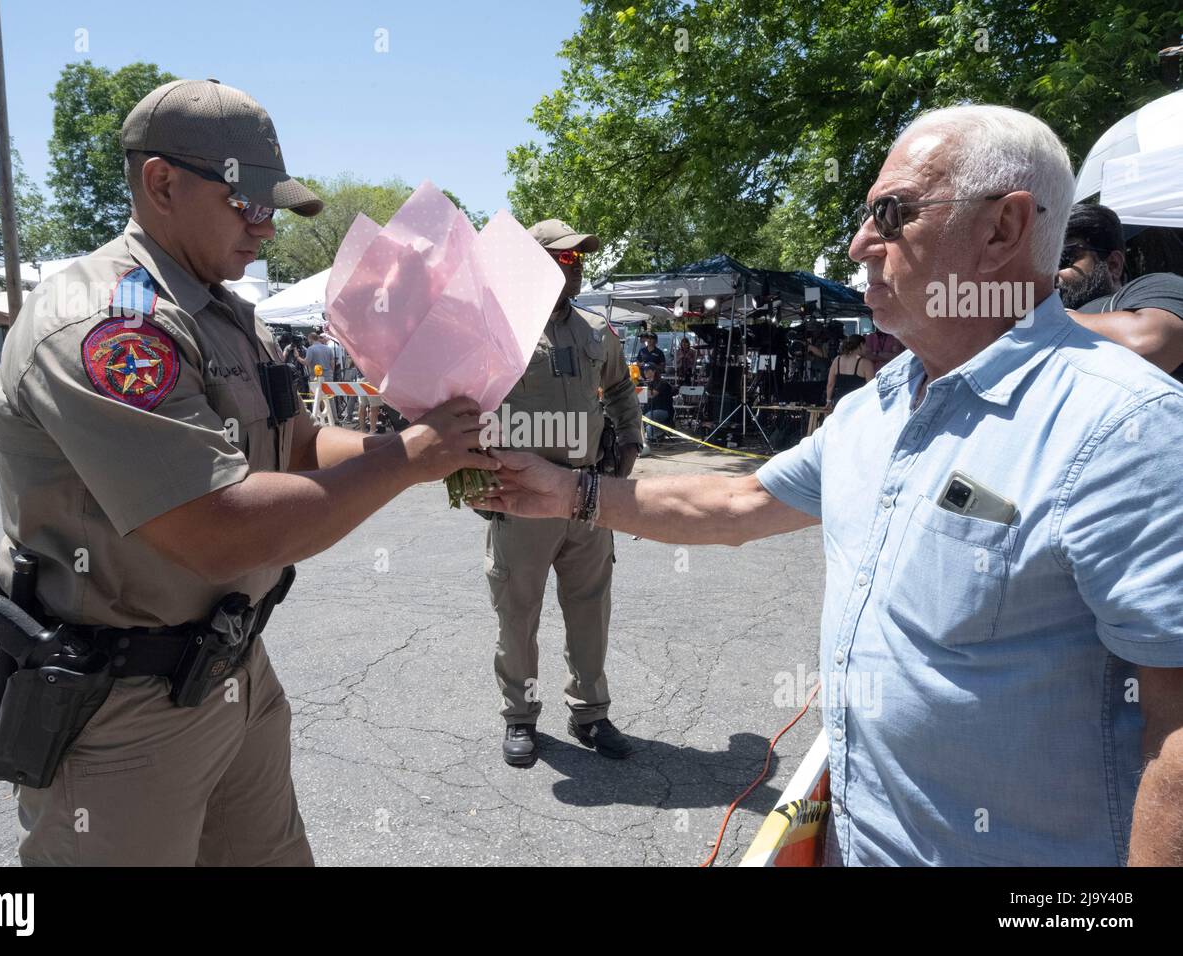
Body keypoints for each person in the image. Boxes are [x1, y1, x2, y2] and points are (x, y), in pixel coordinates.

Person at [476, 105, 1183, 866]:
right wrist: (565, 491)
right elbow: (741, 504)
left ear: (1004, 229)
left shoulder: (1125, 429)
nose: (859, 244)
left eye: (892, 213)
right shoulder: (877, 403)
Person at [0, 78, 495, 866]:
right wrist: (407, 458)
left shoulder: (221, 312)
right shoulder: (110, 326)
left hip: (233, 672)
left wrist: (431, 452)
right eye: (246, 204)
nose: (265, 230)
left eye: (272, 210)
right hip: (123, 709)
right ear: (162, 183)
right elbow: (218, 531)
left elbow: (299, 447)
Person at [485, 218, 644, 767]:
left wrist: (629, 444)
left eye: (579, 261)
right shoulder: (497, 331)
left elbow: (621, 389)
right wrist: (472, 474)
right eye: (564, 258)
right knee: (518, 612)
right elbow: (463, 401)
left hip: (587, 494)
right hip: (522, 499)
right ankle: (521, 718)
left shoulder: (596, 333)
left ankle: (591, 714)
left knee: (590, 609)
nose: (575, 269)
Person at [1059, 202, 1183, 382]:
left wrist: (1049, 315)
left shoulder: (1155, 285)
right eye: (1044, 262)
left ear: (1113, 264)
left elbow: (1148, 342)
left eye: (1063, 258)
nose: (1050, 273)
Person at [826, 335, 874, 407]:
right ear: (861, 345)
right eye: (865, 345)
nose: (867, 349)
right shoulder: (866, 363)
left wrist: (828, 400)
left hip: (839, 402)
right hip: (858, 403)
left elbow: (830, 384)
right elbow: (871, 386)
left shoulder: (837, 360)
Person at [640, 363, 674, 442]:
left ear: (654, 371)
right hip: (649, 410)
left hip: (663, 411)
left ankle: (659, 432)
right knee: (637, 416)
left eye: (647, 370)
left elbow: (651, 395)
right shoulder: (647, 383)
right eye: (644, 370)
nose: (645, 372)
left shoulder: (662, 383)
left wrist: (642, 385)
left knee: (645, 417)